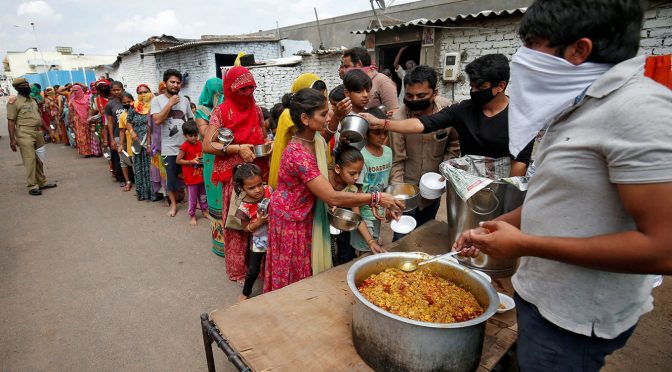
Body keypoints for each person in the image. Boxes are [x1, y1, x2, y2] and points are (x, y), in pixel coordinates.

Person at [453, 1, 672, 371]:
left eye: (534, 44)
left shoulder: (640, 112)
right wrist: (505, 222)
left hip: (573, 320)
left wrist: (523, 244)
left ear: (579, 49)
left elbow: (663, 249)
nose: (522, 58)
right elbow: (562, 194)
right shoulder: (580, 103)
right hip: (543, 298)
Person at [263, 88, 403, 293]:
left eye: (328, 111)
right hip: (291, 219)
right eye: (323, 113)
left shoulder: (313, 139)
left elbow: (326, 133)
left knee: (305, 269)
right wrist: (376, 197)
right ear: (305, 118)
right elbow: (330, 196)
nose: (328, 117)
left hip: (304, 213)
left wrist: (338, 115)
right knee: (294, 277)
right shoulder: (298, 154)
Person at [361, 53, 533, 177]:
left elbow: (520, 162)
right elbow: (423, 124)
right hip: (467, 184)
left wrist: (505, 193)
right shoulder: (463, 110)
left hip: (502, 185)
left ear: (500, 86)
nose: (474, 92)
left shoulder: (521, 117)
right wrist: (382, 123)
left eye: (480, 88)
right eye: (472, 86)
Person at [202, 66, 268, 283]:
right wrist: (237, 148)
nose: (247, 93)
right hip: (235, 179)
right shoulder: (221, 112)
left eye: (250, 88)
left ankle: (257, 267)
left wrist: (267, 146)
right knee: (238, 223)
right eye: (242, 89)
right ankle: (238, 270)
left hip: (256, 174)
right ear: (230, 89)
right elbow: (208, 145)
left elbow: (262, 136)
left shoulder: (256, 110)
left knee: (258, 220)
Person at [389, 65, 460, 240]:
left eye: (421, 96)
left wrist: (446, 169)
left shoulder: (447, 111)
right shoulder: (398, 120)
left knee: (426, 234)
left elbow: (454, 144)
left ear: (434, 93)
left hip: (434, 187)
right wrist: (397, 196)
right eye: (409, 95)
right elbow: (396, 161)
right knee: (402, 238)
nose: (414, 100)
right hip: (407, 189)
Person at [151, 69, 195, 217]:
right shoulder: (157, 100)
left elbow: (190, 120)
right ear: (165, 83)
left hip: (185, 146)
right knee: (171, 178)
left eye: (178, 82)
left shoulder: (185, 101)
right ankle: (173, 206)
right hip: (169, 148)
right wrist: (170, 103)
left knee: (190, 175)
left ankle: (192, 204)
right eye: (172, 82)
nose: (175, 85)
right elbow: (157, 120)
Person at [349, 107, 391, 254]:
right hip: (363, 214)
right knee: (365, 251)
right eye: (376, 133)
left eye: (385, 133)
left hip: (378, 210)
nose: (382, 137)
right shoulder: (362, 157)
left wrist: (388, 206)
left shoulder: (388, 152)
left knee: (373, 247)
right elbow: (356, 196)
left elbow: (387, 183)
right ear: (366, 133)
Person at [6, 77, 57, 195]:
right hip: (24, 133)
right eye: (22, 86)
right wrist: (12, 139)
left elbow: (39, 118)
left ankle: (42, 182)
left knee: (39, 160)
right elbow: (11, 121)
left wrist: (49, 130)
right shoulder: (14, 102)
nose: (26, 87)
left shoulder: (33, 100)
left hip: (38, 133)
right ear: (17, 89)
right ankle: (32, 186)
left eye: (27, 85)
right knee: (30, 160)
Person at [194, 77, 225, 256]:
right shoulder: (202, 111)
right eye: (217, 94)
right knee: (216, 199)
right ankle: (219, 245)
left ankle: (234, 243)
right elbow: (207, 134)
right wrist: (218, 115)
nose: (220, 97)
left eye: (222, 94)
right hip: (211, 159)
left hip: (225, 155)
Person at [235, 163, 272, 301]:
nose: (257, 190)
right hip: (259, 242)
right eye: (251, 188)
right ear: (242, 188)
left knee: (273, 265)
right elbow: (245, 229)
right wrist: (259, 222)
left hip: (275, 237)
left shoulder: (269, 190)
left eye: (259, 185)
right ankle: (246, 292)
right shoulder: (243, 207)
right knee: (253, 270)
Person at [328, 145, 365, 265]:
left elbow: (357, 215)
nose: (357, 177)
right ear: (338, 169)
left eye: (359, 173)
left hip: (342, 226)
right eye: (352, 173)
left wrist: (370, 241)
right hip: (321, 226)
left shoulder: (351, 189)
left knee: (346, 252)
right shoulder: (323, 179)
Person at [338, 47, 398, 112]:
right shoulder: (350, 82)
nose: (344, 70)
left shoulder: (383, 82)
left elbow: (393, 113)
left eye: (346, 66)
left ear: (359, 64)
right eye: (359, 91)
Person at [124, 84, 154, 201]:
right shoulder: (134, 106)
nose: (143, 95)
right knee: (140, 167)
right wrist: (132, 132)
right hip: (137, 141)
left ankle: (154, 193)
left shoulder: (155, 104)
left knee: (152, 167)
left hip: (151, 141)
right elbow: (128, 121)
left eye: (145, 92)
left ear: (150, 92)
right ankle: (143, 193)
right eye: (140, 93)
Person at [177, 120, 209, 225]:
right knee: (192, 198)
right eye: (191, 136)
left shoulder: (200, 143)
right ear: (185, 135)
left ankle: (204, 211)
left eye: (195, 135)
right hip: (191, 179)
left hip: (201, 176)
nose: (194, 138)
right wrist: (190, 162)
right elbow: (178, 160)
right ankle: (192, 215)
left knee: (203, 196)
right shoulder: (184, 147)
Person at [69, 85, 95, 157]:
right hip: (78, 120)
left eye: (76, 90)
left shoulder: (87, 97)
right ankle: (86, 152)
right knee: (82, 136)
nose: (75, 92)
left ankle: (93, 151)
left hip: (89, 118)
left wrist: (90, 117)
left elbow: (91, 108)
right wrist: (71, 121)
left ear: (80, 90)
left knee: (90, 135)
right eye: (73, 91)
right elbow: (71, 111)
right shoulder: (72, 100)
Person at [118, 92, 135, 192]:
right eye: (124, 102)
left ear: (133, 101)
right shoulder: (122, 116)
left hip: (140, 141)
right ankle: (129, 182)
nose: (127, 103)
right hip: (129, 143)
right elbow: (121, 131)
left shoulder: (139, 112)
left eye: (129, 101)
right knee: (130, 163)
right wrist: (120, 145)